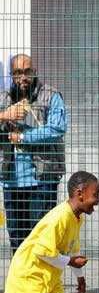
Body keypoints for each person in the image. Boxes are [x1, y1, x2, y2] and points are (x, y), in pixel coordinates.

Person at [0, 54, 68, 253]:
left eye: (28, 72)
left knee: (41, 237)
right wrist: (5, 115)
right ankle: (21, 282)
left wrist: (22, 137)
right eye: (18, 73)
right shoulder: (4, 98)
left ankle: (40, 283)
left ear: (35, 72)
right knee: (17, 238)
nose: (23, 77)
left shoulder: (51, 96)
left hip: (42, 178)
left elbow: (57, 128)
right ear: (11, 76)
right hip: (11, 180)